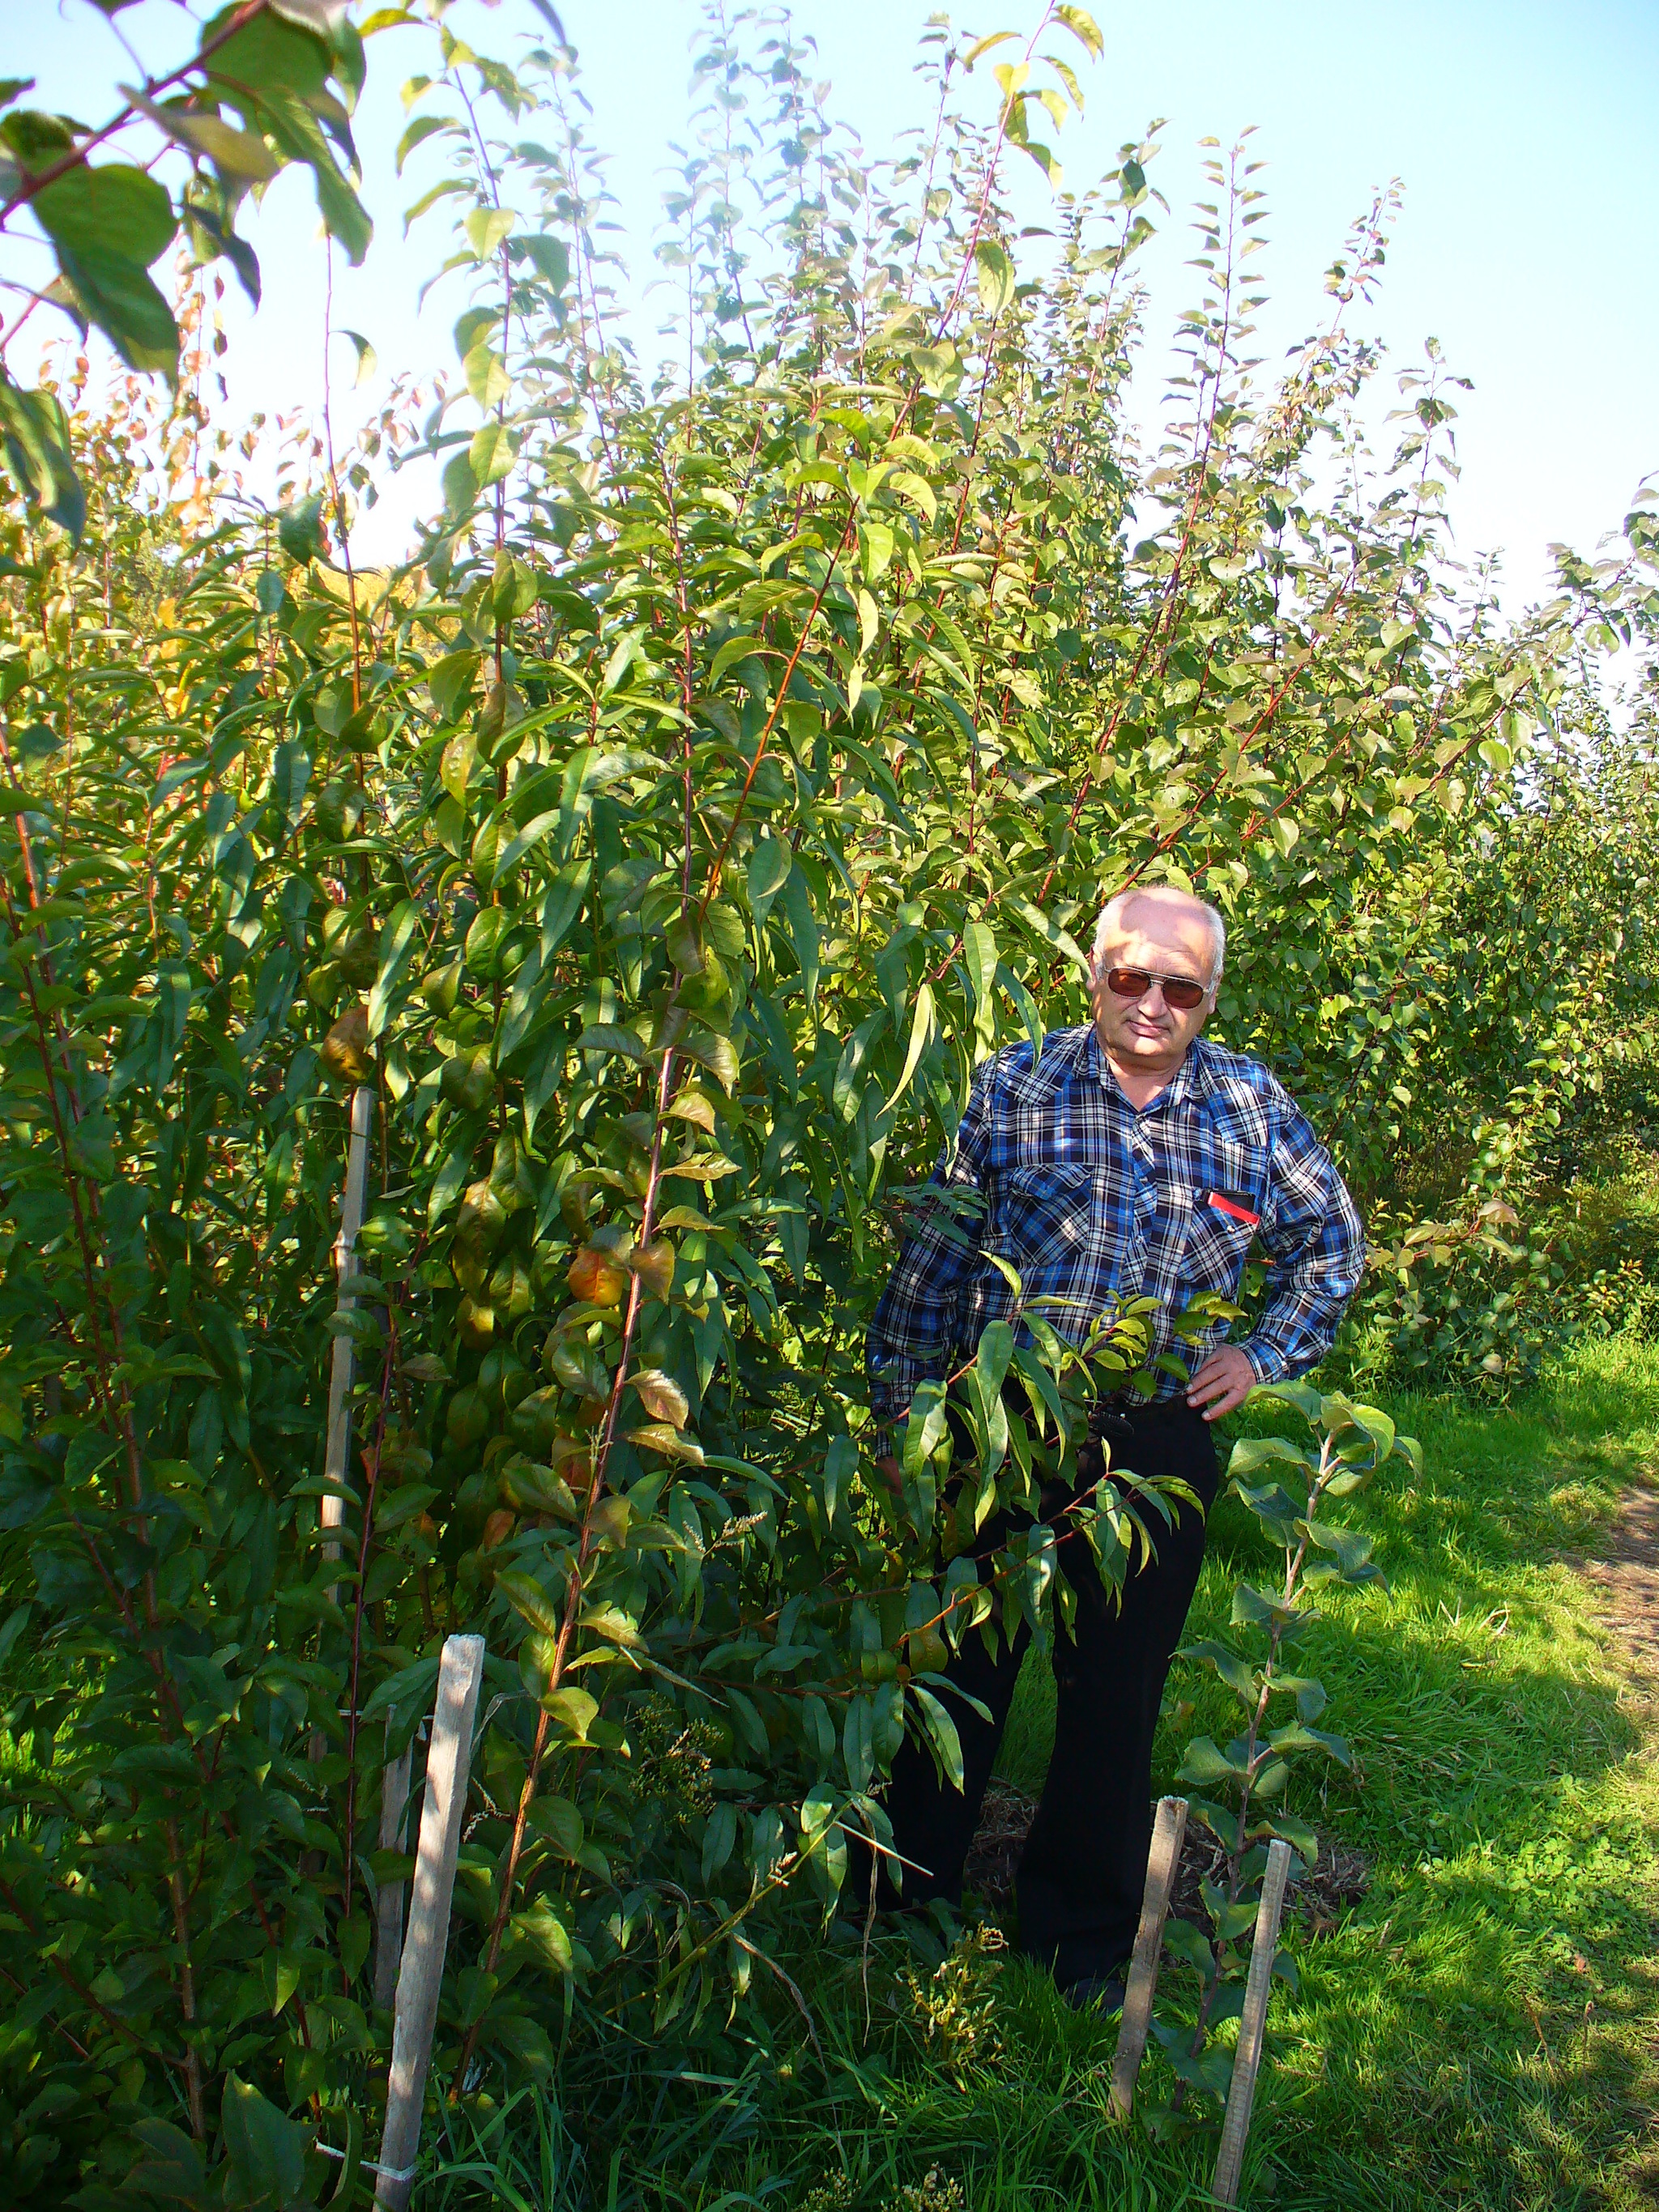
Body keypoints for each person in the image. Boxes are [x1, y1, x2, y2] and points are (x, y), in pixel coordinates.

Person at [864, 882, 1364, 2007]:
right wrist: (905, 1416)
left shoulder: (1248, 1108)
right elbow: (934, 1265)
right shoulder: (1015, 1089)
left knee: (1117, 1689)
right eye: (1131, 975)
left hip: (1157, 1434)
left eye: (1181, 987)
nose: (1153, 1004)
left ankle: (1076, 1939)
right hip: (1000, 1418)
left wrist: (1264, 1355)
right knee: (956, 1658)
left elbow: (1331, 1246)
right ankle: (900, 1907)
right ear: (1090, 970)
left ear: (1211, 998)